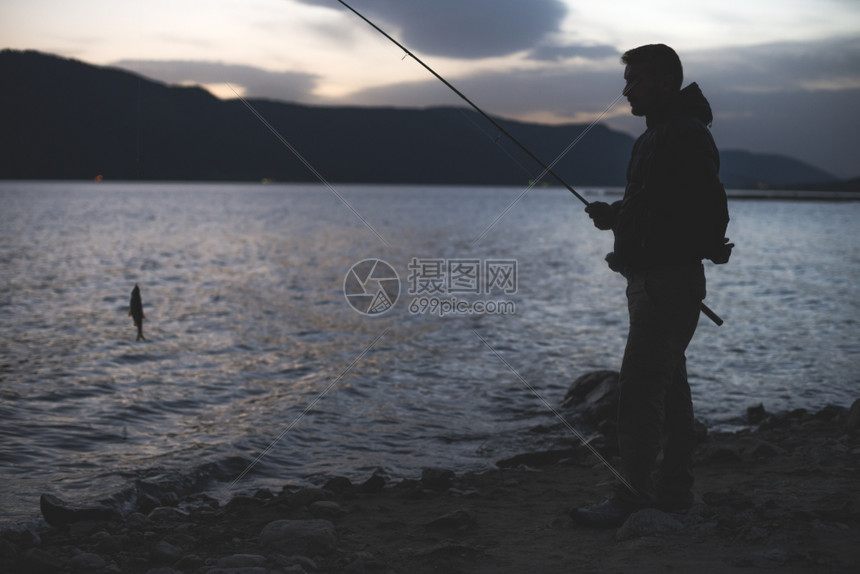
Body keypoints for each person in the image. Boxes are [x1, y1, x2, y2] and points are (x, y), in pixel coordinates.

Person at [572, 44, 732, 528]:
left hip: (665, 285)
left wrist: (698, 246)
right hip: (657, 281)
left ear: (665, 82)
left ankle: (632, 499)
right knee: (669, 392)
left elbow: (705, 206)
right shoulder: (665, 133)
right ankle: (674, 494)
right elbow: (663, 207)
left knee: (639, 391)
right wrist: (616, 219)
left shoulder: (681, 133)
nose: (625, 90)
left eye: (636, 80)